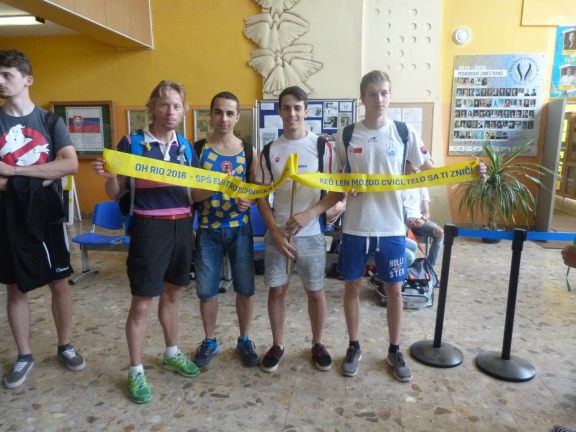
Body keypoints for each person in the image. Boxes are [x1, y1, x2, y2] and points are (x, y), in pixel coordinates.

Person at [92, 80, 208, 404]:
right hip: (148, 227)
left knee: (172, 295)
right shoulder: (131, 142)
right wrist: (109, 177)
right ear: (152, 107)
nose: (170, 111)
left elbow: (195, 194)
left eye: (176, 106)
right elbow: (115, 192)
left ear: (183, 111)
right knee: (142, 303)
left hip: (182, 226)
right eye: (164, 104)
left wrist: (219, 185)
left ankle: (171, 352)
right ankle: (136, 370)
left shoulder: (186, 147)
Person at [334, 70, 436, 382]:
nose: (379, 99)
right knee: (352, 286)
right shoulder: (346, 135)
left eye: (385, 93)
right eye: (373, 93)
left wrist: (468, 171)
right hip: (356, 226)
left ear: (390, 96)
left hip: (392, 226)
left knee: (394, 288)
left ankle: (394, 349)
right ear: (363, 99)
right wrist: (345, 186)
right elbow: (336, 178)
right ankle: (354, 346)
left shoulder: (404, 133)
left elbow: (430, 169)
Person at [0, 50, 86, 389]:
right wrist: (43, 175)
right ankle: (24, 354)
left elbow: (70, 164)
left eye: (7, 74)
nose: (0, 81)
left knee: (59, 281)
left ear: (27, 80)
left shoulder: (50, 122)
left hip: (46, 214)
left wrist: (12, 172)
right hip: (7, 216)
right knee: (15, 286)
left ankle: (65, 345)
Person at [256, 86, 344, 373]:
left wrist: (310, 214)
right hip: (278, 237)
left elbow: (336, 191)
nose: (292, 113)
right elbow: (261, 196)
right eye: (286, 107)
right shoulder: (269, 150)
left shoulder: (322, 147)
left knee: (315, 292)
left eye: (297, 108)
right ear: (279, 111)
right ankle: (277, 344)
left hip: (312, 235)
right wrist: (275, 232)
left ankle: (318, 343)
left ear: (306, 111)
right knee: (276, 292)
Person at [192, 91, 259, 369]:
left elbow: (256, 188)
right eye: (218, 112)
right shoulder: (198, 149)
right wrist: (213, 187)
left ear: (237, 117)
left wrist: (249, 199)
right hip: (208, 229)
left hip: (239, 229)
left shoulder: (248, 151)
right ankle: (210, 340)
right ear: (210, 114)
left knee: (245, 288)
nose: (224, 118)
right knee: (207, 291)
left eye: (230, 113)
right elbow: (191, 194)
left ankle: (244, 339)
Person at [402, 160, 444, 268]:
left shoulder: (422, 186)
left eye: (417, 170)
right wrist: (406, 221)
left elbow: (427, 212)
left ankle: (430, 267)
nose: (417, 173)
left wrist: (423, 219)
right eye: (413, 171)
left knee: (439, 232)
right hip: (402, 221)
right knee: (400, 234)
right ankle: (404, 267)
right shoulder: (398, 185)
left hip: (419, 220)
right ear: (405, 172)